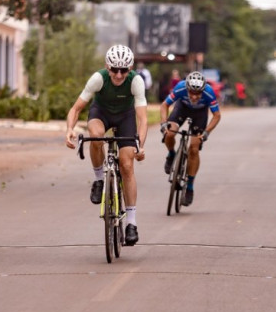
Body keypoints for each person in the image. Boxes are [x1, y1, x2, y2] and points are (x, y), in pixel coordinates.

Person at [65, 44, 147, 246]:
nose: (119, 75)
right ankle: (99, 179)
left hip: (125, 118)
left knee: (127, 166)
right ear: (107, 67)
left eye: (124, 70)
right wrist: (69, 129)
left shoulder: (135, 81)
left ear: (130, 68)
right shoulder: (98, 78)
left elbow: (143, 119)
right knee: (96, 136)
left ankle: (131, 223)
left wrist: (140, 145)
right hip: (100, 114)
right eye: (114, 70)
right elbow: (76, 109)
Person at [159, 71, 222, 206]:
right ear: (186, 88)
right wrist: (164, 123)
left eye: (197, 93)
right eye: (191, 92)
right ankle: (171, 154)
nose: (194, 96)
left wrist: (206, 132)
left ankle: (190, 186)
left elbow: (216, 115)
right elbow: (165, 105)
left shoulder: (209, 92)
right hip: (182, 109)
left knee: (194, 148)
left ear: (202, 91)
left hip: (200, 114)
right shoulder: (180, 87)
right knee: (169, 133)